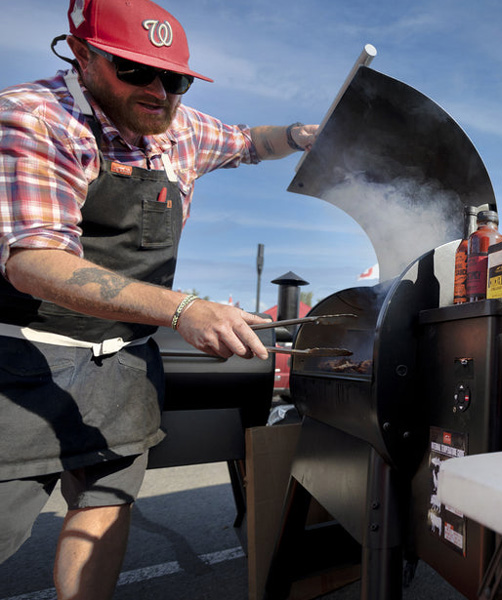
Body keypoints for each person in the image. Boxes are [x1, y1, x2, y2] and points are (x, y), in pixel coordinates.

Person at [0, 0, 319, 597]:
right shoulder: (34, 117)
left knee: (105, 500)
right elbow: (34, 262)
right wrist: (183, 309)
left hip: (124, 359)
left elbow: (252, 141)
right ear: (83, 54)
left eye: (174, 78)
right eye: (135, 72)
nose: (158, 92)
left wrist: (302, 136)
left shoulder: (180, 126)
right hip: (25, 356)